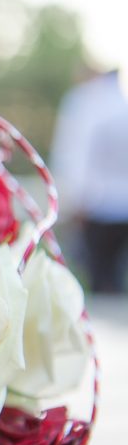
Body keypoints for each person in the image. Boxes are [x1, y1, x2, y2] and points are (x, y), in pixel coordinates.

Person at [51, 69, 128, 294]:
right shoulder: (121, 104)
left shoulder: (86, 103)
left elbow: (75, 154)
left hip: (96, 203)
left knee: (99, 277)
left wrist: (73, 197)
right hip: (119, 203)